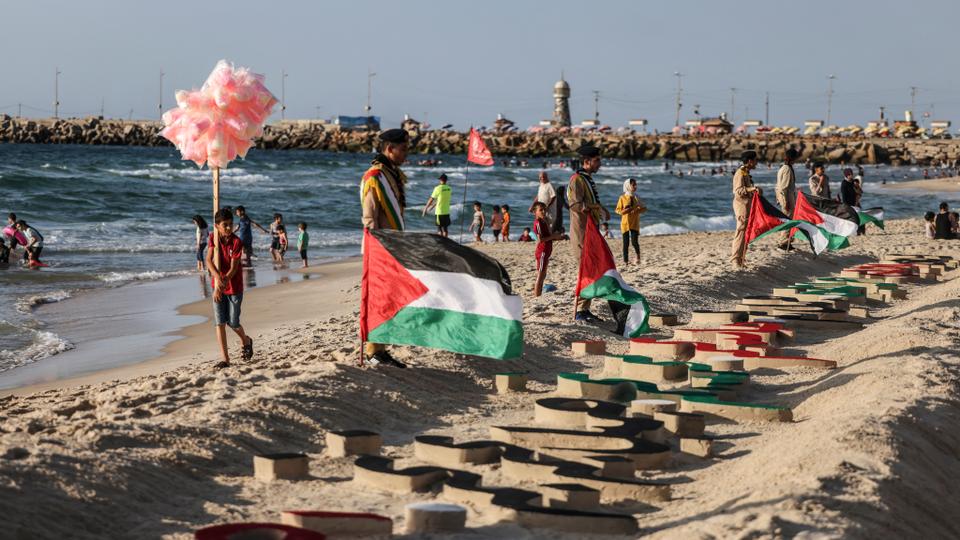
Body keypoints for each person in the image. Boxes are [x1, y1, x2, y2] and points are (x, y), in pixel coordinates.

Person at [360, 128, 410, 368]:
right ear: (389, 149)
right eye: (403, 149)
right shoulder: (375, 176)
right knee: (379, 300)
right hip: (380, 248)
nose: (406, 154)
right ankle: (372, 351)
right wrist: (375, 248)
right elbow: (369, 217)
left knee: (389, 300)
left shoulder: (391, 174)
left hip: (393, 246)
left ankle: (381, 347)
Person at [205, 208, 254, 369]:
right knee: (219, 323)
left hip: (234, 287)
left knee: (233, 323)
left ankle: (246, 340)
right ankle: (225, 359)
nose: (228, 228)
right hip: (218, 285)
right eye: (224, 225)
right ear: (217, 226)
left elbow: (233, 269)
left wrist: (223, 282)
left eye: (230, 224)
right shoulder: (213, 237)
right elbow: (209, 261)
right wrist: (217, 280)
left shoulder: (236, 242)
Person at [568, 143, 610, 321]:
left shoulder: (586, 179)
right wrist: (596, 206)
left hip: (591, 233)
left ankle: (585, 310)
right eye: (596, 160)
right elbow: (575, 205)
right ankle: (579, 312)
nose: (599, 163)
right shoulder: (577, 179)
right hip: (581, 233)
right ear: (586, 161)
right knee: (586, 270)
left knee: (593, 269)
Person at [731, 150, 762, 269]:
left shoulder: (745, 172)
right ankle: (735, 260)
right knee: (741, 232)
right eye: (755, 160)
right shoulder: (740, 173)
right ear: (750, 161)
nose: (756, 163)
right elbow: (738, 191)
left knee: (746, 233)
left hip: (747, 206)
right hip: (741, 206)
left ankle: (741, 260)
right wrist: (751, 189)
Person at [532, 201, 567, 296]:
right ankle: (537, 295)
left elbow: (549, 235)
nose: (543, 212)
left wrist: (558, 237)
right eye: (541, 210)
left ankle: (538, 293)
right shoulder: (538, 222)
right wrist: (553, 237)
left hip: (547, 250)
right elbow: (540, 240)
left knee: (543, 274)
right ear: (535, 212)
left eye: (544, 210)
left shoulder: (544, 221)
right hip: (542, 251)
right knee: (540, 274)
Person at [615, 177, 646, 264]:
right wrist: (624, 211)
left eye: (636, 184)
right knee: (626, 243)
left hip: (635, 223)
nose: (635, 186)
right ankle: (625, 261)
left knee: (634, 242)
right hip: (625, 224)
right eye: (633, 185)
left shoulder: (637, 197)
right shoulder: (622, 197)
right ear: (628, 186)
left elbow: (644, 208)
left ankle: (638, 257)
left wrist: (636, 210)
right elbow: (617, 210)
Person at [775, 149, 799, 250]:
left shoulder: (784, 168)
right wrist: (785, 202)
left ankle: (786, 241)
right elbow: (783, 187)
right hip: (787, 198)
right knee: (788, 221)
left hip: (788, 197)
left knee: (788, 220)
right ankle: (783, 242)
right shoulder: (787, 169)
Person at [422, 173, 452, 237]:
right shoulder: (449, 189)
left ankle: (442, 243)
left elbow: (431, 199)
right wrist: (432, 206)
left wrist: (425, 208)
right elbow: (441, 199)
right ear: (446, 180)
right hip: (446, 211)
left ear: (440, 180)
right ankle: (446, 242)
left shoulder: (437, 188)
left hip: (439, 212)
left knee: (439, 229)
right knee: (445, 229)